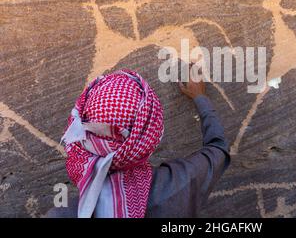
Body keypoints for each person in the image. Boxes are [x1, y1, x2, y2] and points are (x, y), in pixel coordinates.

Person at [46, 67, 230, 218]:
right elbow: (218, 148)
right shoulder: (180, 183)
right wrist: (200, 97)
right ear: (151, 137)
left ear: (84, 139)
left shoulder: (62, 214)